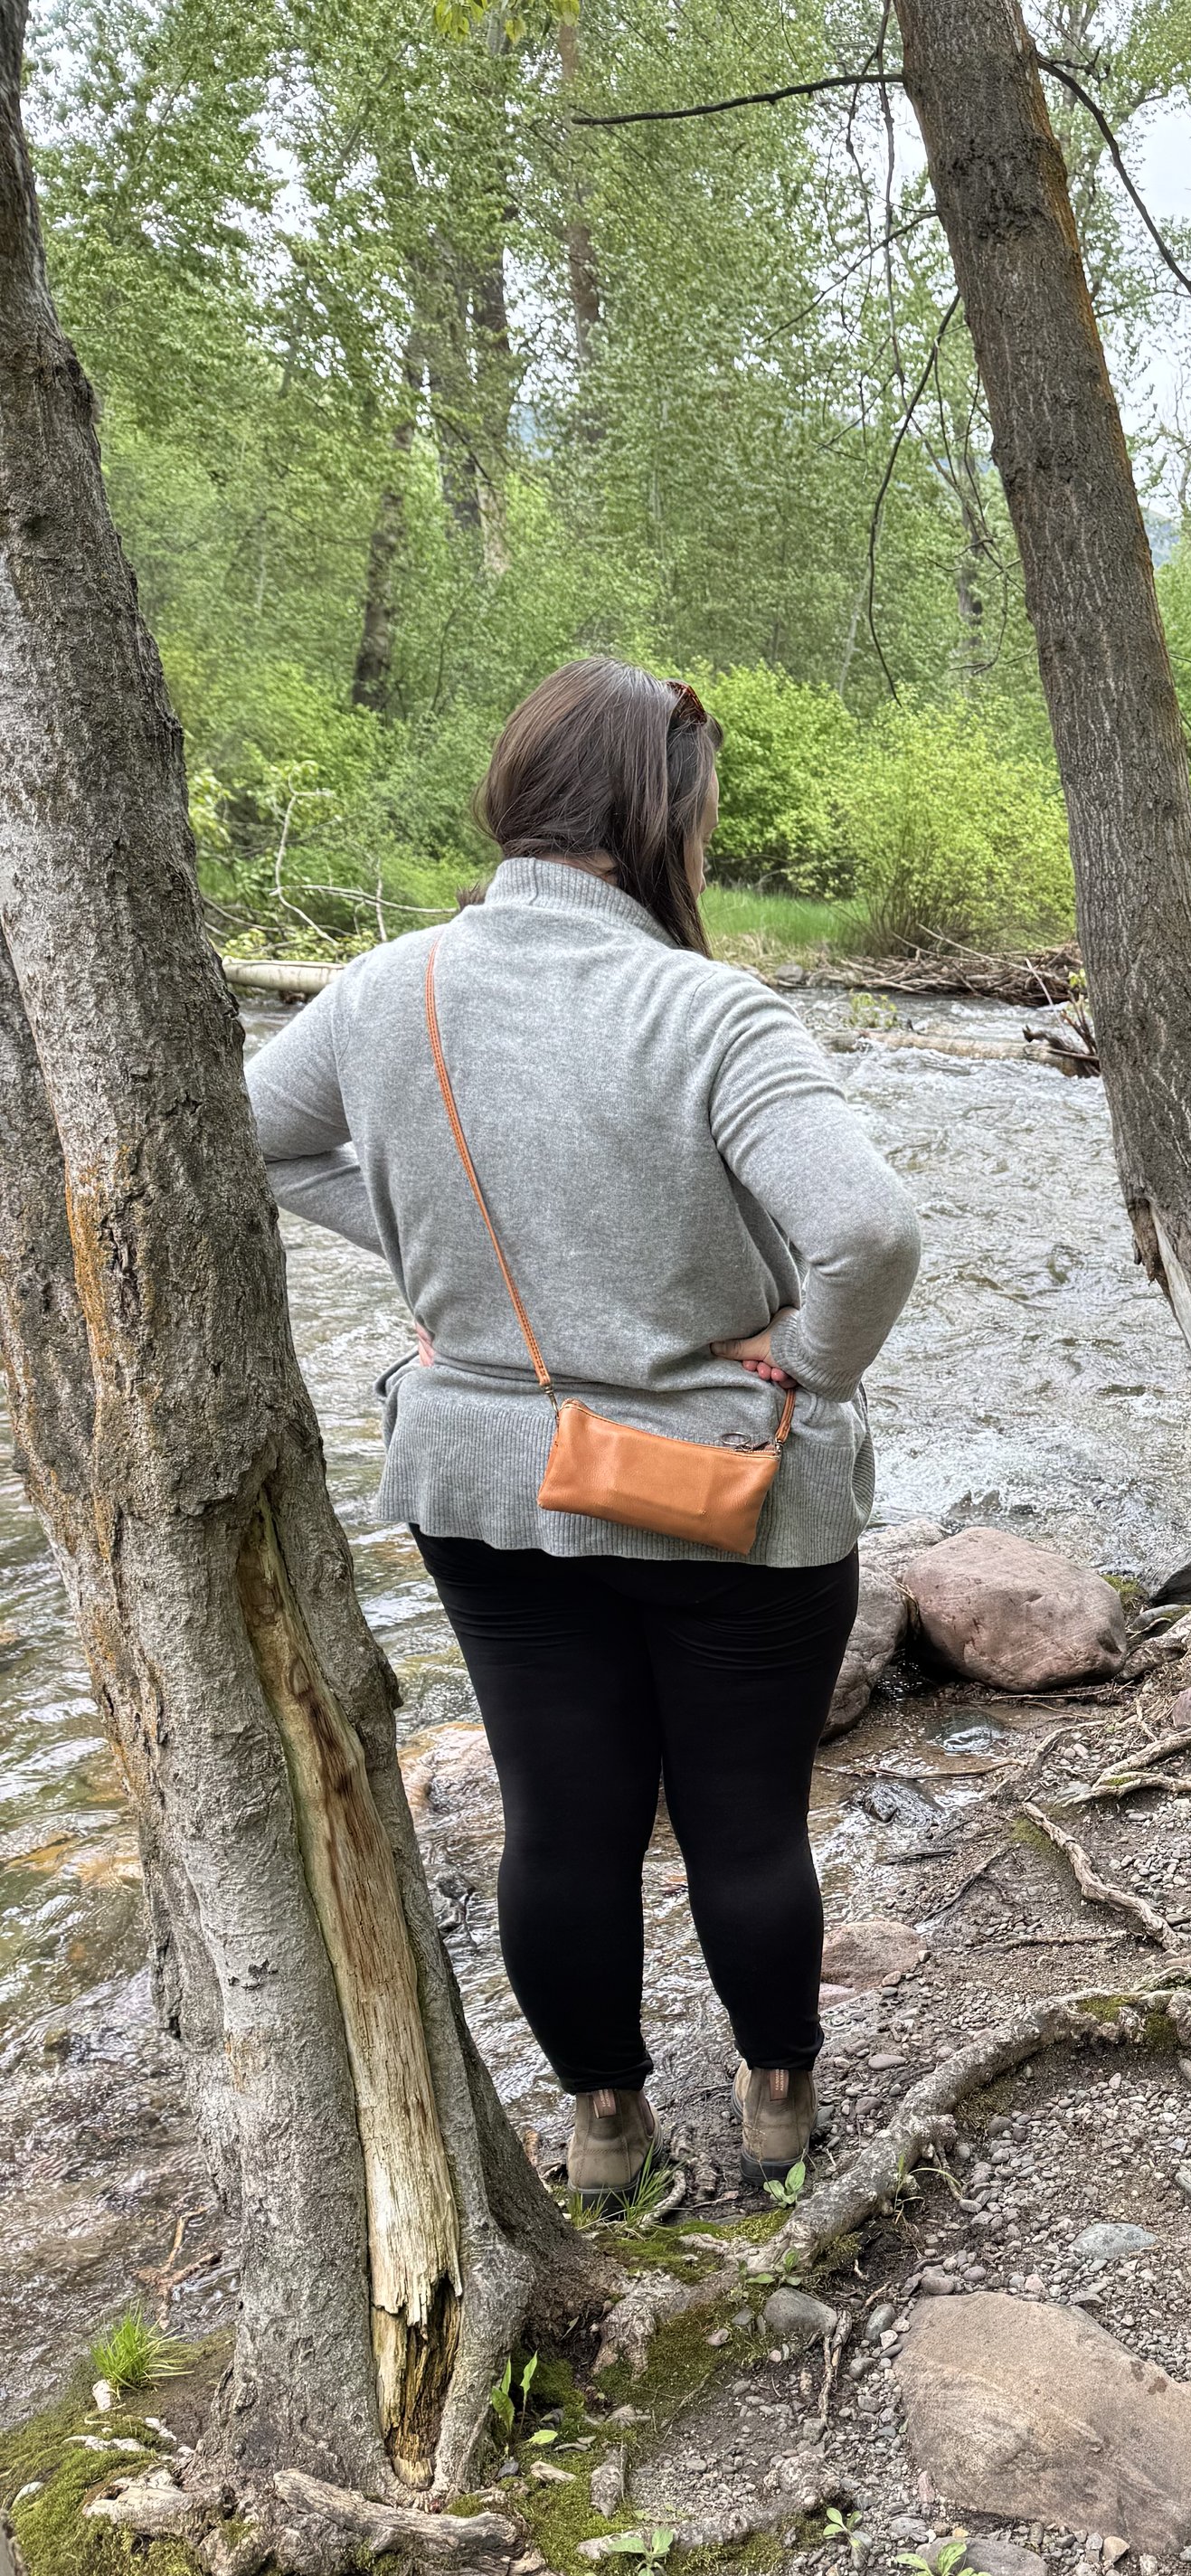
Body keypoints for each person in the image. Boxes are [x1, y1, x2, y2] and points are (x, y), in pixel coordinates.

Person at [247, 658, 922, 2199]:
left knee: (559, 1826)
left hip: (488, 1485)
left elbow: (252, 1141)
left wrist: (442, 1269)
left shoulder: (385, 989)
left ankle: (607, 2135)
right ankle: (777, 2111)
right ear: (662, 817)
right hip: (727, 1488)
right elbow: (870, 1232)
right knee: (746, 1826)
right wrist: (803, 1364)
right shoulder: (706, 1009)